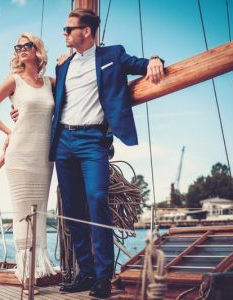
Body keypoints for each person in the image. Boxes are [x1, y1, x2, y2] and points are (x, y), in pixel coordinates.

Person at [50, 8, 164, 298]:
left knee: (97, 199)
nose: (64, 33)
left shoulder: (112, 55)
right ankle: (84, 273)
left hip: (93, 140)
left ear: (86, 31)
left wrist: (155, 60)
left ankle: (103, 276)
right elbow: (56, 99)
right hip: (64, 139)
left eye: (68, 29)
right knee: (72, 208)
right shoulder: (62, 66)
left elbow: (140, 63)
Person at [0, 33, 56, 294]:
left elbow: (74, 92)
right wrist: (8, 131)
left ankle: (40, 269)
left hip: (44, 157)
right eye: (19, 47)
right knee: (23, 214)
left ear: (38, 50)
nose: (22, 50)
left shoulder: (50, 83)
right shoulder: (14, 81)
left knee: (40, 213)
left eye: (27, 45)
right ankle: (26, 274)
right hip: (20, 154)